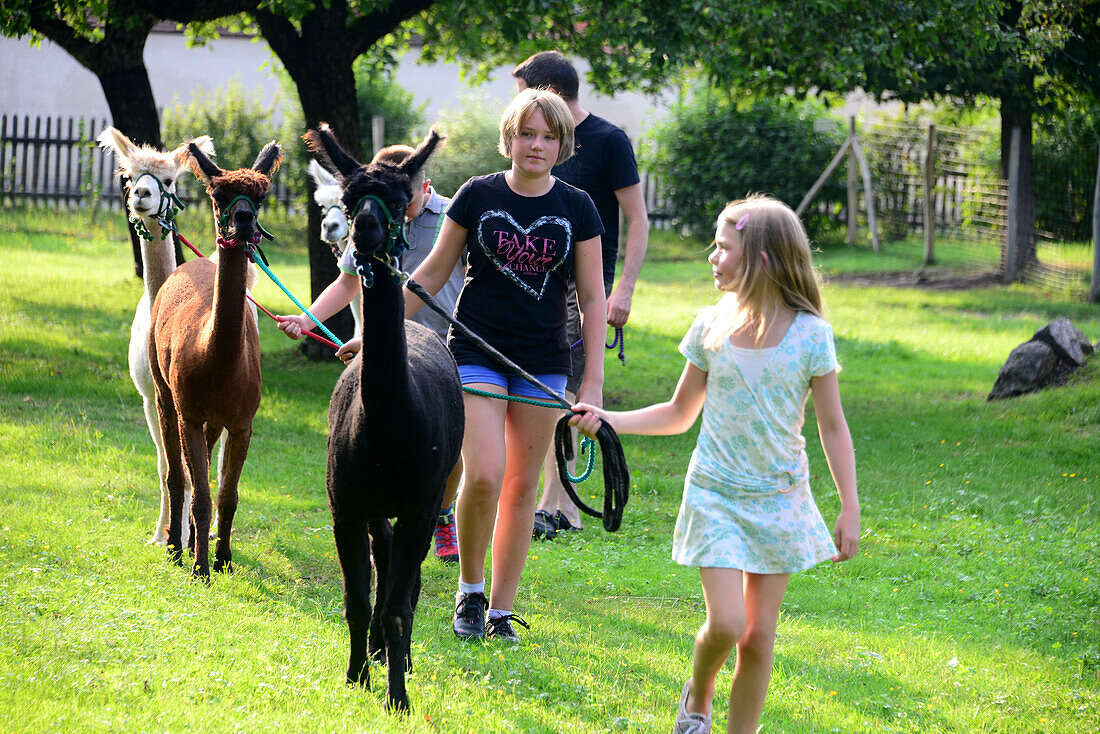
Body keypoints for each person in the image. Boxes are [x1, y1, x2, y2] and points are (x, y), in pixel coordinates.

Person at [569, 195, 860, 734]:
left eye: (724, 247)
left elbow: (833, 426)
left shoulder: (812, 337)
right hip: (716, 494)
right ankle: (699, 696)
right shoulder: (711, 327)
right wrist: (607, 418)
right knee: (727, 622)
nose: (712, 256)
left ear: (763, 259)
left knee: (758, 638)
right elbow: (680, 414)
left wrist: (849, 506)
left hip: (780, 499)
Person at [404, 88, 606, 642]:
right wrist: (377, 332)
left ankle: (499, 610)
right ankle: (470, 591)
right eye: (526, 133)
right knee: (486, 471)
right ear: (509, 137)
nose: (536, 145)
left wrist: (593, 381)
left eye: (548, 136)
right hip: (476, 351)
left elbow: (592, 299)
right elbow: (432, 272)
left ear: (562, 144)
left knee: (521, 486)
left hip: (545, 362)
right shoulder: (476, 195)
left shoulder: (578, 207)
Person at [276, 145, 466, 563]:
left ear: (423, 187)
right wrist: (308, 320)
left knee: (447, 444)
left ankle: (442, 511)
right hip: (382, 347)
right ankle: (378, 512)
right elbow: (346, 283)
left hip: (443, 346)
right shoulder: (373, 215)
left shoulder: (452, 218)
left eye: (406, 200)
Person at [511, 50, 649, 536]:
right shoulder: (531, 141)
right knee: (541, 386)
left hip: (584, 284)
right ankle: (554, 502)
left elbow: (637, 219)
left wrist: (623, 291)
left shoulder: (609, 141)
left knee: (561, 387)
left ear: (546, 92)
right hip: (530, 278)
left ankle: (555, 505)